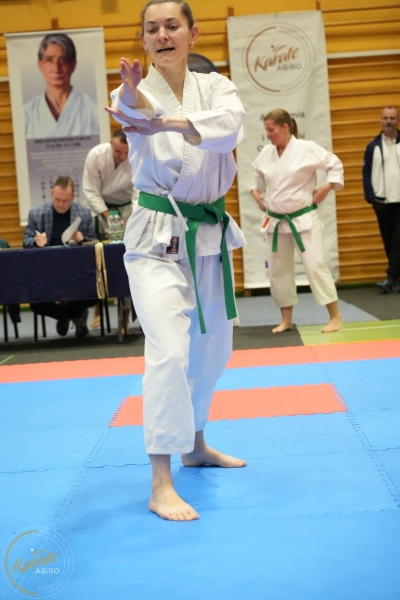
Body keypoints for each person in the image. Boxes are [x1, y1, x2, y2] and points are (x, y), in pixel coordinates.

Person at [105, 0, 247, 521]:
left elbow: (230, 126)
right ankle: (160, 481)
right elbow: (129, 111)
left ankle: (196, 444)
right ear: (144, 40)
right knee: (168, 349)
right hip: (157, 239)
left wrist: (165, 120)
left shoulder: (218, 87)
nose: (162, 34)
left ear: (192, 33)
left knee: (213, 350)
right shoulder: (134, 89)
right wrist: (133, 96)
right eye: (152, 29)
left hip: (206, 235)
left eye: (172, 26)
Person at [251, 109, 344, 334]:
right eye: (266, 131)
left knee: (314, 265)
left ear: (285, 127)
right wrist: (256, 192)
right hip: (275, 221)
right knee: (279, 271)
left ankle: (335, 316)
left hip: (303, 218)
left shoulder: (306, 148)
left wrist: (327, 186)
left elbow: (334, 164)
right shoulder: (267, 153)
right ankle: (286, 320)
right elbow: (256, 176)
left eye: (271, 130)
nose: (268, 135)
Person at [23, 176, 97, 338]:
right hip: (46, 273)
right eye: (57, 199)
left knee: (95, 293)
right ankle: (71, 315)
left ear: (73, 197)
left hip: (77, 272)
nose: (61, 204)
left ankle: (68, 316)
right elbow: (26, 241)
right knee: (35, 302)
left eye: (65, 200)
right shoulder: (36, 214)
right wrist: (36, 242)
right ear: (51, 193)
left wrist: (83, 239)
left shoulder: (83, 214)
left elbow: (95, 242)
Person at [83, 128, 138, 329]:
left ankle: (124, 318)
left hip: (127, 210)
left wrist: (134, 219)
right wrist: (109, 217)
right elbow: (90, 191)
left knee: (127, 262)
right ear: (110, 144)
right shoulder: (96, 155)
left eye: (126, 152)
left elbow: (139, 192)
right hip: (100, 211)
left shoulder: (137, 155)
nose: (122, 156)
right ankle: (98, 309)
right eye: (118, 151)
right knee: (98, 261)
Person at [24, 33, 99, 139]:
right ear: (40, 65)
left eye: (63, 61)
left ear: (73, 65)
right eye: (49, 60)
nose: (56, 69)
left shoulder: (94, 107)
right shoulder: (27, 113)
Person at [363, 106, 400, 293]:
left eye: (392, 118)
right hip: (381, 202)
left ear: (397, 120)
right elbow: (366, 172)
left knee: (398, 240)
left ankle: (390, 278)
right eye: (385, 118)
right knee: (388, 241)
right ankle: (397, 278)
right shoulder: (373, 146)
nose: (388, 121)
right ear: (380, 120)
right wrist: (370, 197)